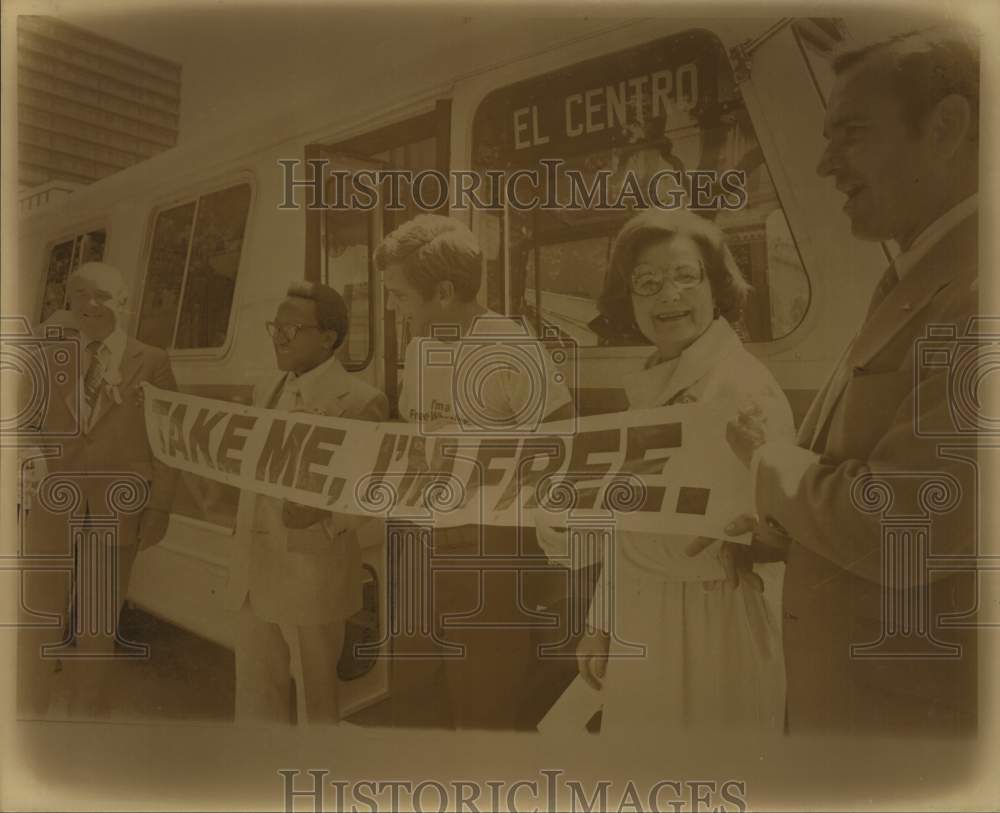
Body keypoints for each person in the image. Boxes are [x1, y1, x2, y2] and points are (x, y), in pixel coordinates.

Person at [721, 27, 979, 736]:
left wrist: (772, 466)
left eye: (853, 135)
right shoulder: (921, 276)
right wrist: (782, 533)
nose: (826, 164)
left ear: (948, 127)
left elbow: (909, 521)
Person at [537, 208, 794, 733]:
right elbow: (633, 522)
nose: (667, 296)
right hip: (644, 616)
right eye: (647, 283)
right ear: (628, 301)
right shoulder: (652, 386)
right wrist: (602, 623)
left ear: (716, 286)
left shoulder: (744, 389)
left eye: (685, 276)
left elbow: (774, 541)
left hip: (712, 627)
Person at [375, 214, 574, 730]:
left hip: (488, 549)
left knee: (484, 703)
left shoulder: (512, 349)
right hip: (419, 543)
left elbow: (562, 451)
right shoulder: (420, 348)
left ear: (442, 291)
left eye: (397, 295)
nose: (391, 307)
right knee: (415, 695)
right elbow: (415, 434)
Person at [18, 262, 179, 718]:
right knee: (39, 620)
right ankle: (29, 717)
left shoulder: (153, 361)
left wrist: (161, 509)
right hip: (52, 510)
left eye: (102, 296)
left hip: (116, 514)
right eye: (81, 295)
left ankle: (85, 723)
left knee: (96, 625)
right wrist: (33, 457)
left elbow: (170, 443)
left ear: (124, 304)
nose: (90, 305)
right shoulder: (49, 358)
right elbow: (23, 423)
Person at [225, 281, 388, 724]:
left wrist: (326, 515)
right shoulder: (266, 393)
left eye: (292, 328)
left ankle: (315, 785)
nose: (279, 336)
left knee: (317, 708)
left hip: (312, 572)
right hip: (253, 572)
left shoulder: (360, 401)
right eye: (276, 326)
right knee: (256, 699)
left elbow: (371, 493)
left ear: (329, 338)